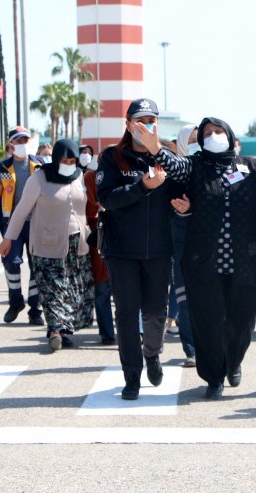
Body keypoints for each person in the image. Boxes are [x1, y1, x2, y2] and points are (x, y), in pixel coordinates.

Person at [137, 115, 256, 400]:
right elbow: (174, 165)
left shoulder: (251, 166)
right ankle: (213, 376)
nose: (213, 136)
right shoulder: (195, 166)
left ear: (231, 135)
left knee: (242, 321)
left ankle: (233, 361)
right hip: (203, 263)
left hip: (245, 263)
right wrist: (156, 147)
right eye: (207, 133)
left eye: (219, 131)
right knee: (208, 323)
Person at [96, 98, 174, 400]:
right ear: (129, 125)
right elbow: (107, 197)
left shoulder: (165, 156)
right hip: (121, 251)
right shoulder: (112, 158)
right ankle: (132, 377)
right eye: (141, 120)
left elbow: (181, 187)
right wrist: (142, 187)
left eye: (152, 120)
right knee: (126, 315)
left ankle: (152, 353)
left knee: (156, 312)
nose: (147, 126)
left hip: (158, 250)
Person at [0, 139, 94, 352]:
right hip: (47, 244)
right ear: (56, 158)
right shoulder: (40, 178)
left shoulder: (80, 176)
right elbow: (22, 209)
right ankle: (54, 331)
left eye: (72, 160)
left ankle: (64, 330)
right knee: (53, 287)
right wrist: (8, 238)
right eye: (64, 159)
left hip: (77, 243)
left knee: (71, 288)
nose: (69, 163)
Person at [0, 126, 45, 325]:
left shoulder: (40, 164)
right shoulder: (2, 167)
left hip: (36, 222)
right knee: (11, 260)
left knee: (37, 264)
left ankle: (35, 309)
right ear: (11, 144)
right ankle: (15, 301)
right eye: (18, 141)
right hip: (11, 223)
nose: (22, 145)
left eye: (25, 140)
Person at [169, 124, 198, 366]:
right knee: (184, 299)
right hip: (178, 244)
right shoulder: (172, 173)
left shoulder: (210, 169)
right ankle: (191, 350)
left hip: (207, 245)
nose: (198, 145)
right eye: (193, 140)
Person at [83, 147, 117, 346]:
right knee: (102, 289)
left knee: (125, 292)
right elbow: (89, 206)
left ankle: (131, 331)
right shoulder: (89, 178)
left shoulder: (125, 177)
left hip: (123, 239)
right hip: (99, 238)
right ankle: (106, 333)